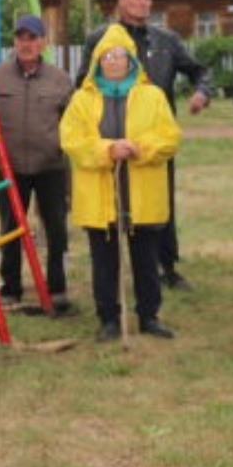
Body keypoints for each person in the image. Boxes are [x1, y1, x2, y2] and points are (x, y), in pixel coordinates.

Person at [75, 0, 211, 291]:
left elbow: (199, 70)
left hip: (154, 139)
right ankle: (111, 268)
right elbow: (84, 82)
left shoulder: (166, 40)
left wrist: (202, 92)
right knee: (112, 202)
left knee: (159, 202)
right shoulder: (102, 37)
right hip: (111, 137)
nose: (143, 3)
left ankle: (166, 266)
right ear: (120, 0)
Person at [61, 25, 183, 341]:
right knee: (104, 264)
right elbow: (72, 140)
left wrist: (139, 148)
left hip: (142, 195)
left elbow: (169, 137)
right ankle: (109, 319)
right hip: (100, 198)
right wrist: (107, 150)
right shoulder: (82, 100)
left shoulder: (153, 96)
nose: (114, 61)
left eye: (120, 55)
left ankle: (149, 316)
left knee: (145, 260)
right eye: (107, 56)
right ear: (98, 61)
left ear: (131, 60)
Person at [0, 14, 76, 316]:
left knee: (56, 230)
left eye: (32, 38)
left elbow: (73, 119)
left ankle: (57, 289)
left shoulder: (60, 79)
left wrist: (63, 145)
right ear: (14, 42)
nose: (26, 44)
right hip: (11, 166)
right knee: (11, 228)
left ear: (43, 41)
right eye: (21, 38)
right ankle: (11, 290)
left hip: (51, 167)